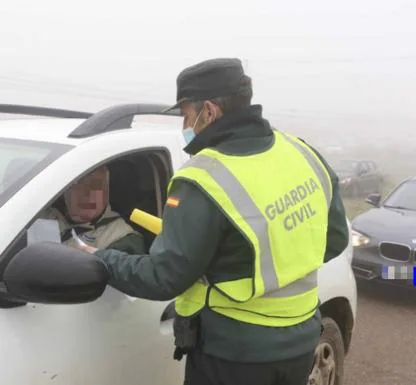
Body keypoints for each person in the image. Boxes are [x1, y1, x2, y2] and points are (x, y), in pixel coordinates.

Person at [74, 58, 349, 385]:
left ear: (209, 111)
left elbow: (164, 277)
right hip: (300, 343)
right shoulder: (302, 153)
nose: (184, 127)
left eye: (186, 116)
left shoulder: (204, 178)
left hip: (233, 357)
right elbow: (334, 239)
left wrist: (100, 258)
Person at [41, 165, 146, 254]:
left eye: (95, 186)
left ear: (106, 192)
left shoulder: (122, 238)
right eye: (78, 186)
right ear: (65, 191)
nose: (86, 194)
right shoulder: (39, 214)